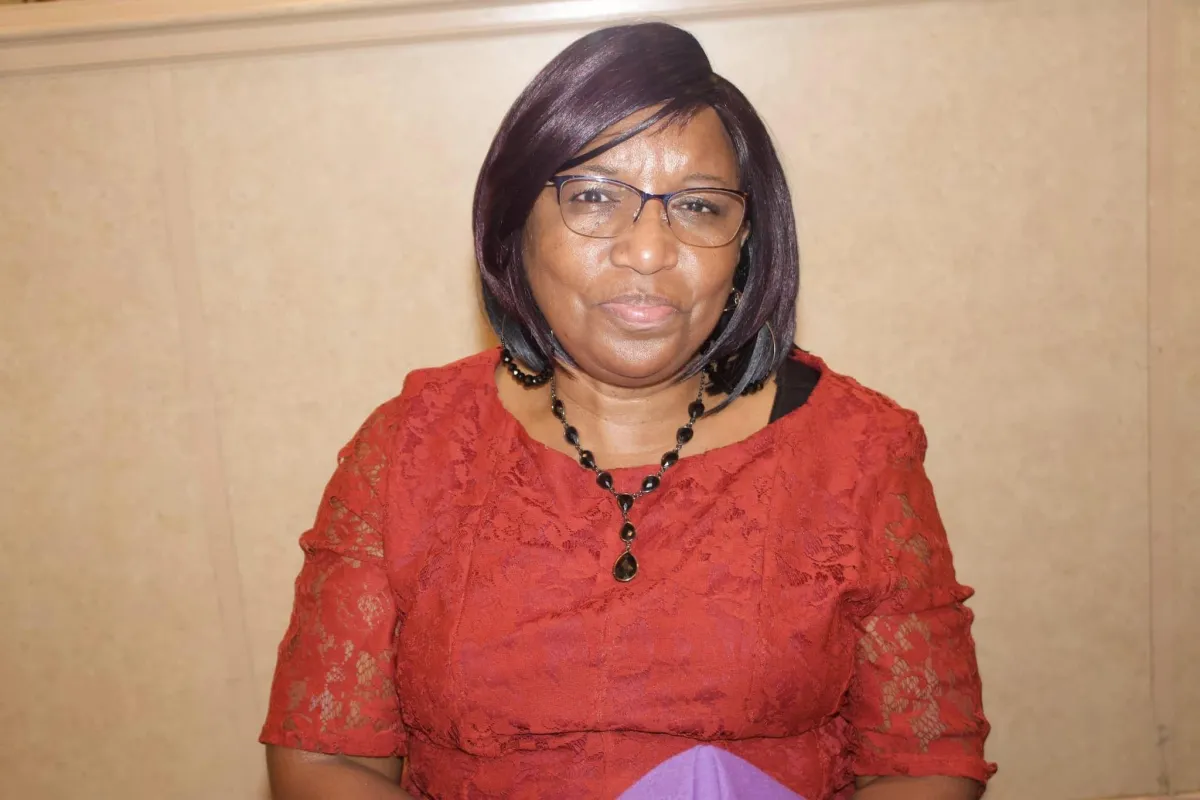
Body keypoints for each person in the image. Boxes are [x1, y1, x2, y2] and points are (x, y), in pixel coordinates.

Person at [259, 22, 994, 800]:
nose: (647, 251)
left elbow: (924, 764)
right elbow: (323, 759)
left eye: (699, 207)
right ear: (515, 224)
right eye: (594, 197)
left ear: (745, 243)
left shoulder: (859, 452)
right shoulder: (410, 446)